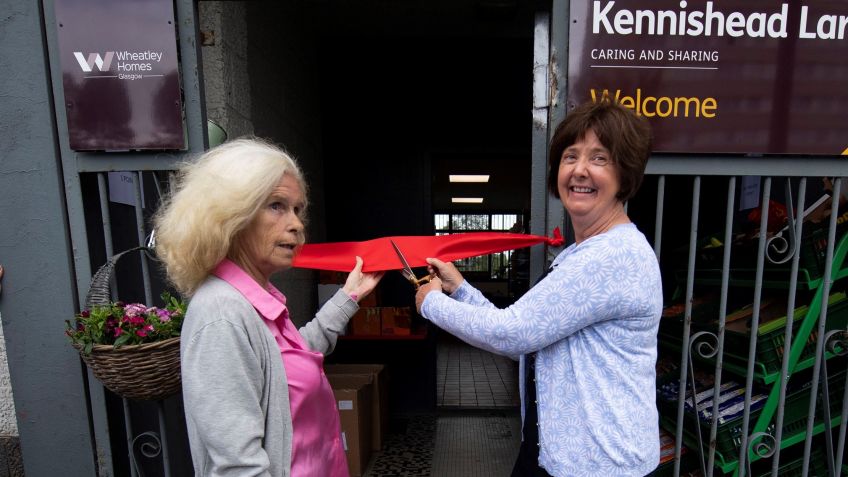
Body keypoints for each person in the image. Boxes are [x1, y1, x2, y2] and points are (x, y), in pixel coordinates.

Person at [415, 100, 662, 476]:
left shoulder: (614, 256)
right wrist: (460, 288)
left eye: (599, 158)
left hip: (599, 464)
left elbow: (514, 333)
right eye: (570, 156)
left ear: (625, 174)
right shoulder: (582, 253)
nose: (579, 170)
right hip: (560, 454)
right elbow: (530, 337)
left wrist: (431, 303)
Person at [153, 138, 383, 476]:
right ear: (231, 215)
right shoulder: (222, 315)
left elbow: (289, 365)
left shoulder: (255, 298)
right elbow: (239, 467)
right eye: (277, 205)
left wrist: (347, 298)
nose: (297, 225)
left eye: (297, 209)